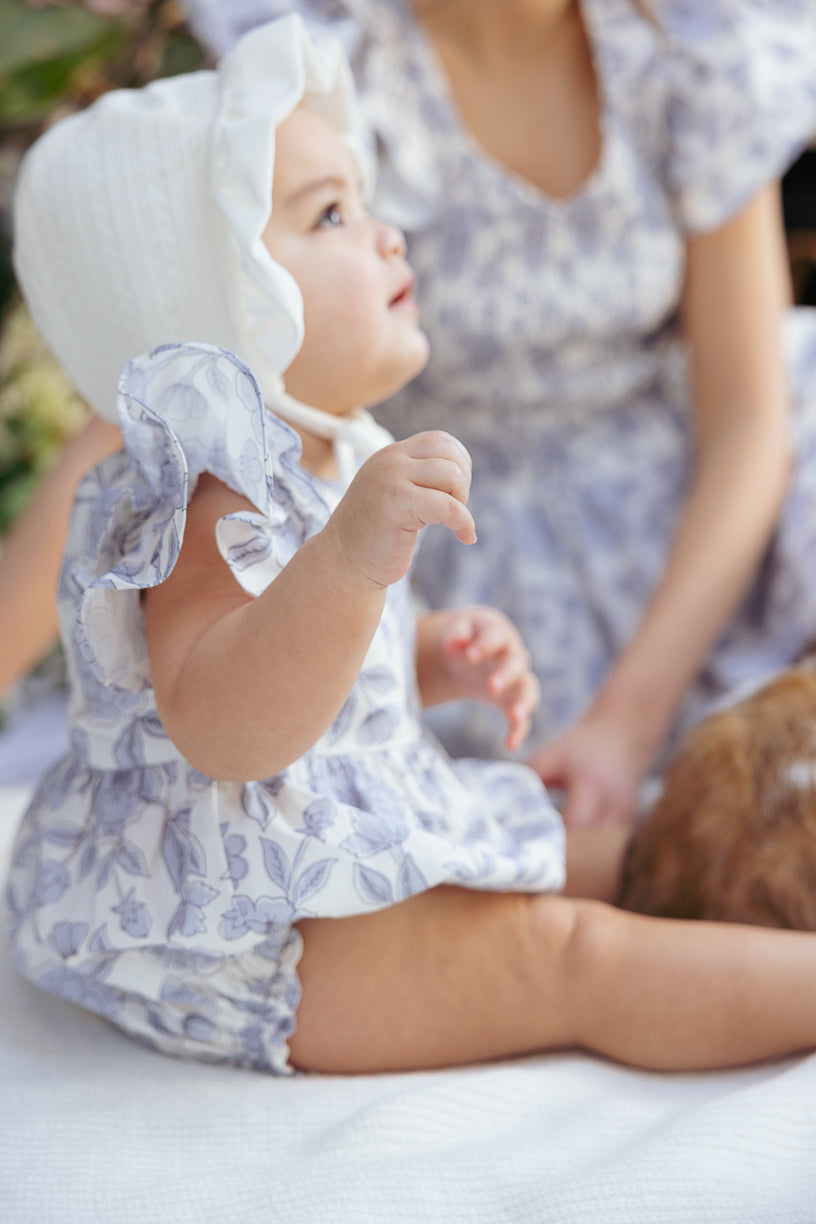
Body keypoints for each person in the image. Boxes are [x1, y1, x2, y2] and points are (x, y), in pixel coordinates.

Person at [8, 15, 816, 1079]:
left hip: (339, 850)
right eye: (330, 215)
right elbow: (228, 728)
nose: (387, 236)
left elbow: (327, 685)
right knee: (571, 954)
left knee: (610, 856)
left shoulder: (318, 459)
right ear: (213, 305)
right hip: (266, 940)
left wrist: (427, 653)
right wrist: (348, 566)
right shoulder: (205, 502)